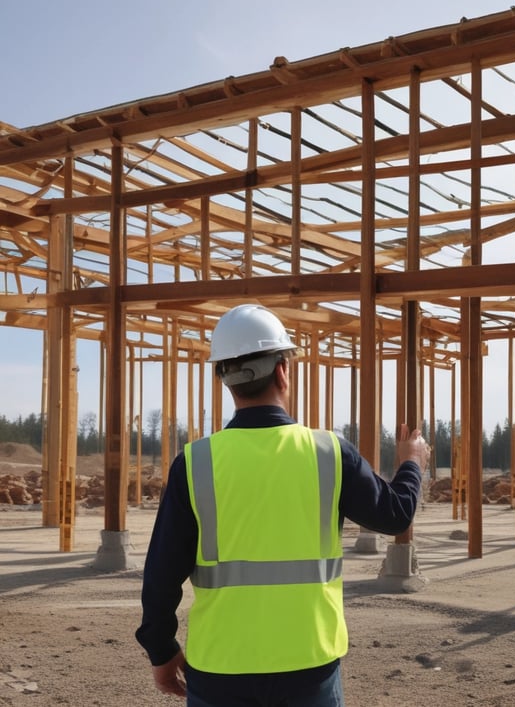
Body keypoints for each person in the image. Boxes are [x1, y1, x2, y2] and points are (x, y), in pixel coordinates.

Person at [136, 303, 430, 707]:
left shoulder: (196, 462)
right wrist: (411, 463)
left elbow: (161, 573)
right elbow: (395, 515)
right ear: (282, 371)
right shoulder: (328, 452)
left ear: (224, 377)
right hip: (308, 662)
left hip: (221, 665)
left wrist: (162, 650)